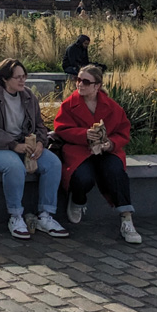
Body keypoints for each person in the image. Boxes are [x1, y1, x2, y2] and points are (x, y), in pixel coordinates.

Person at [0, 58, 69, 240]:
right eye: (18, 77)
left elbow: (40, 125)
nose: (22, 81)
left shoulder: (28, 96)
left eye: (24, 76)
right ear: (5, 79)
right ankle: (15, 216)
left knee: (53, 163)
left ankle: (46, 215)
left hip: (25, 144)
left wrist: (40, 143)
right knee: (14, 166)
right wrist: (13, 145)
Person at [53, 65, 142, 244]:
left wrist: (111, 144)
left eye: (86, 81)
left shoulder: (112, 107)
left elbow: (123, 132)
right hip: (79, 150)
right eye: (78, 79)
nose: (80, 84)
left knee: (116, 172)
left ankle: (126, 219)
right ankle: (77, 200)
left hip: (106, 151)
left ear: (97, 86)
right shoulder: (69, 105)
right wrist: (83, 134)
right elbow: (60, 129)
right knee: (81, 177)